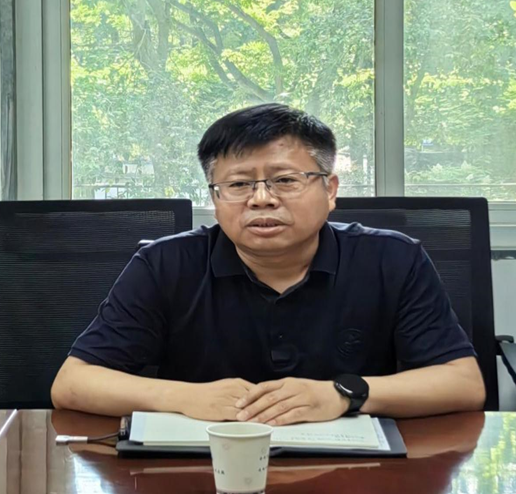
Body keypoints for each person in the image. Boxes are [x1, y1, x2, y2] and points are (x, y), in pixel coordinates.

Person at [51, 103, 485, 423]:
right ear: (214, 197)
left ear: (330, 190)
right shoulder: (163, 264)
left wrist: (342, 394)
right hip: (200, 467)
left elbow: (463, 383)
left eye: (285, 180)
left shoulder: (394, 258)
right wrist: (185, 398)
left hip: (353, 468)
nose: (261, 198)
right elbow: (73, 383)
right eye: (239, 184)